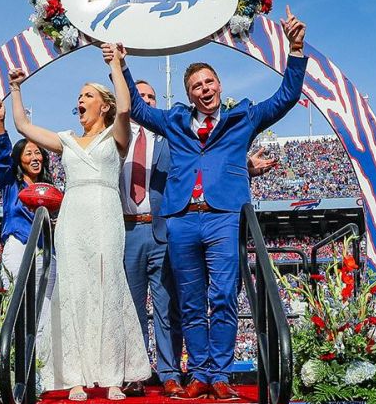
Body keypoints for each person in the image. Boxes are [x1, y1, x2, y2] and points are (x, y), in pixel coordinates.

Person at [110, 6, 307, 399]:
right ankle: (197, 373)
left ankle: (219, 374)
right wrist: (122, 66)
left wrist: (296, 50)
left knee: (222, 297)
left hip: (222, 217)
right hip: (182, 219)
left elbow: (286, 97)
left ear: (219, 84)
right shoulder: (175, 122)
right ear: (189, 94)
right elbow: (139, 107)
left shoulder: (243, 118)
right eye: (197, 85)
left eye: (209, 81)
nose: (204, 89)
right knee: (190, 301)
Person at [118, 81, 279, 398]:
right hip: (126, 230)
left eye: (153, 97)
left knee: (174, 309)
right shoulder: (117, 140)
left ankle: (173, 373)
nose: (147, 102)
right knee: (131, 309)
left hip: (166, 228)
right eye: (143, 97)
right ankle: (133, 373)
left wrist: (244, 167)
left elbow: (205, 164)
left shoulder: (170, 137)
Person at [8, 45, 149, 401]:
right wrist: (16, 89)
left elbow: (127, 106)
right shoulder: (66, 141)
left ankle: (113, 376)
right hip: (72, 219)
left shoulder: (116, 136)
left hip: (105, 213)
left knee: (109, 287)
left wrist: (115, 66)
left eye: (87, 95)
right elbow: (22, 125)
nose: (80, 100)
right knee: (72, 291)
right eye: (79, 96)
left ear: (103, 104)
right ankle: (74, 378)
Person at [0, 99, 57, 306]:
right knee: (17, 305)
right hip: (19, 245)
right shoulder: (11, 184)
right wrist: (1, 121)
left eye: (38, 153)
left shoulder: (50, 191)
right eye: (29, 153)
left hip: (46, 250)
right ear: (19, 160)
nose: (35, 157)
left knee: (45, 307)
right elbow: (2, 156)